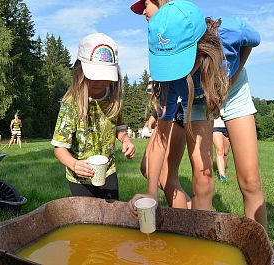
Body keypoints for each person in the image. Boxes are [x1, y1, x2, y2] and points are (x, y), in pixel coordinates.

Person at [129, 0, 229, 216]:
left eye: (146, 3)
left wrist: (232, 79)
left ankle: (198, 227)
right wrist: (151, 193)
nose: (144, 11)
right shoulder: (172, 81)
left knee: (202, 175)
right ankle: (186, 218)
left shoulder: (228, 38)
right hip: (190, 94)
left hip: (210, 88)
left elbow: (251, 41)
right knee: (153, 169)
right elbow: (160, 138)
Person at [51, 33, 136, 200]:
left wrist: (126, 140)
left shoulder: (113, 98)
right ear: (79, 71)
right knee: (86, 219)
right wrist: (74, 164)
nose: (100, 82)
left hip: (108, 171)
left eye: (106, 77)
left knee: (111, 216)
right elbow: (59, 148)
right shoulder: (71, 104)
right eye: (95, 76)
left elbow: (119, 127)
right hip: (79, 177)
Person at [208, 15, 267, 229]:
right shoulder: (188, 43)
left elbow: (251, 42)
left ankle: (263, 252)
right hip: (199, 93)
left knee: (250, 181)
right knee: (202, 177)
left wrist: (233, 75)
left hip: (234, 89)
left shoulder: (232, 29)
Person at [131, 0, 191, 209]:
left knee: (167, 177)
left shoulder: (178, 29)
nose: (144, 12)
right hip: (166, 109)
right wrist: (155, 115)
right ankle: (190, 213)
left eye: (146, 4)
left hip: (180, 109)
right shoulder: (159, 38)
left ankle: (188, 222)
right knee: (147, 167)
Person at [213, 114, 231, 182]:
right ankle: (222, 176)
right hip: (215, 125)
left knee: (226, 152)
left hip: (228, 125)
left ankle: (223, 168)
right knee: (220, 150)